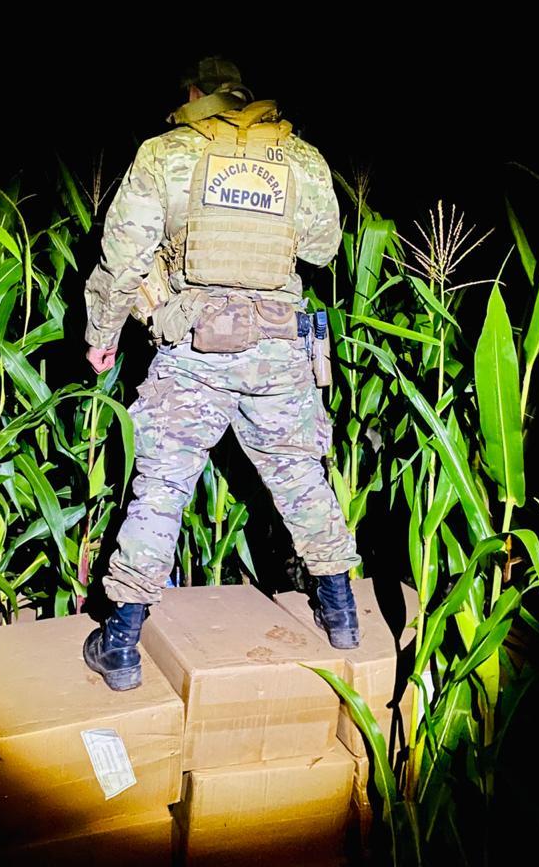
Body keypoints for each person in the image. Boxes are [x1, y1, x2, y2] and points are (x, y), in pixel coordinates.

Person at [82, 56, 361, 691]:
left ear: (193, 93)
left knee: (161, 487)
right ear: (243, 94)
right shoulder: (299, 155)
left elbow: (122, 258)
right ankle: (342, 615)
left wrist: (103, 336)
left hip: (194, 347)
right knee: (301, 478)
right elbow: (324, 249)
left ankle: (120, 644)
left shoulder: (164, 153)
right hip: (277, 345)